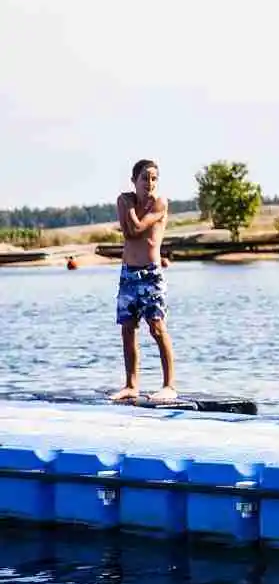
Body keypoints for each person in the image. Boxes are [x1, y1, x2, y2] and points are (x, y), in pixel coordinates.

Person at [110, 159, 178, 405]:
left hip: (150, 274)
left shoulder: (160, 203)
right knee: (128, 328)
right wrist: (126, 204)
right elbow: (128, 234)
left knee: (157, 328)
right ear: (134, 180)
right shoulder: (124, 200)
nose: (149, 183)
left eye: (154, 178)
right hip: (128, 273)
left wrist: (128, 207)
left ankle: (169, 386)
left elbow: (136, 229)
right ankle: (131, 385)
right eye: (144, 178)